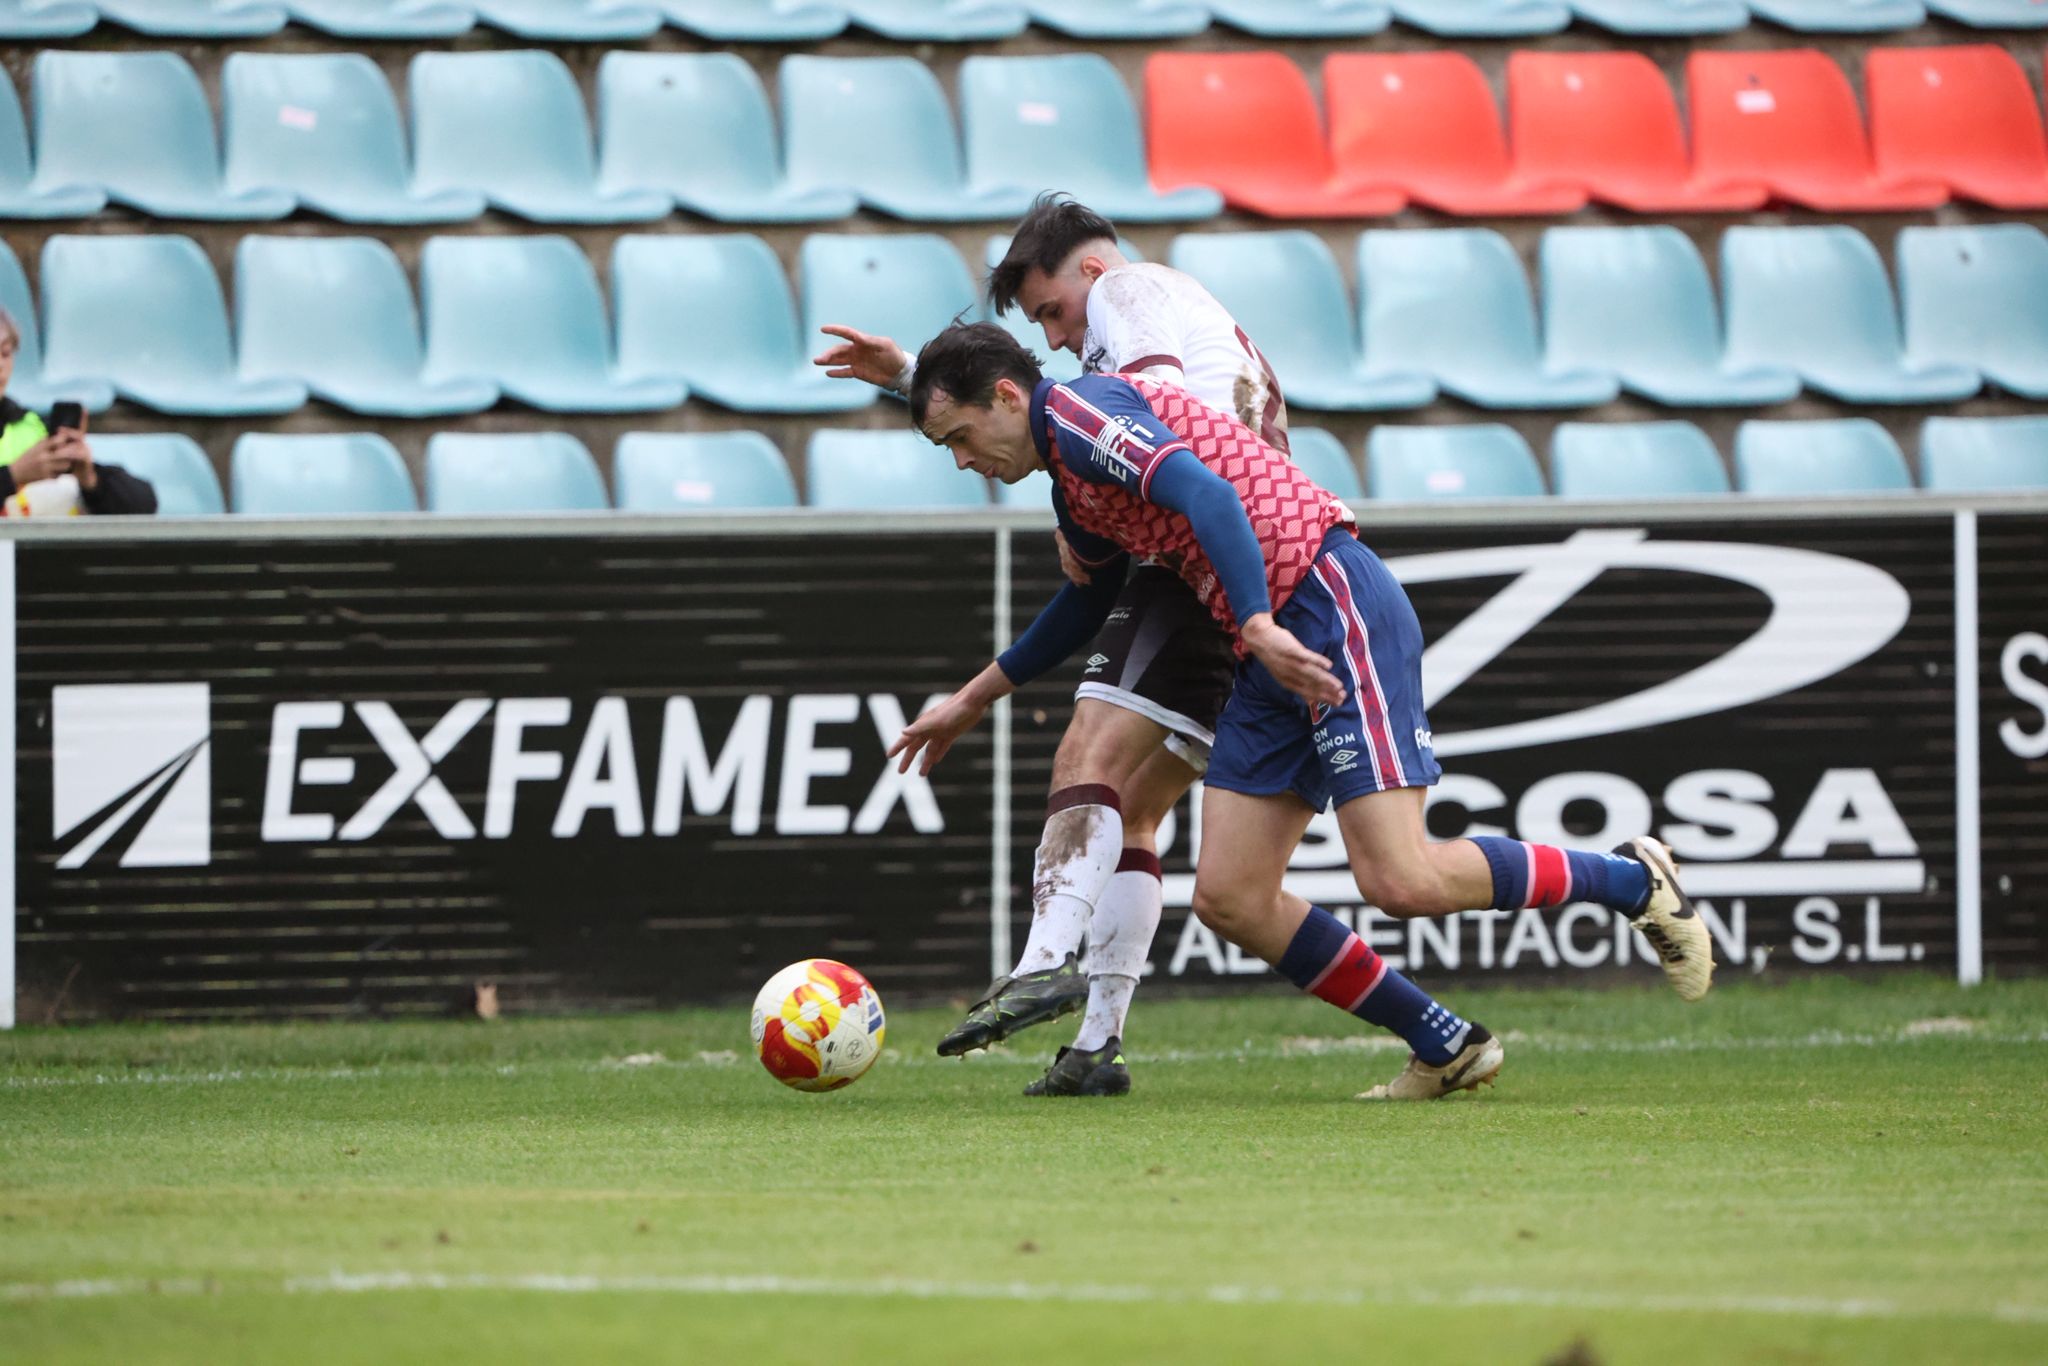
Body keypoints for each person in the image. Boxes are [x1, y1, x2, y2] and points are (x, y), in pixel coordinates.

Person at [887, 322, 1715, 1102]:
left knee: (1401, 878)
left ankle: (1633, 879)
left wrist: (1252, 618)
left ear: (1005, 396)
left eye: (958, 438)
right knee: (1232, 896)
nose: (963, 462)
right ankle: (1445, 1042)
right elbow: (1087, 600)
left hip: (1328, 603)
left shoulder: (1080, 412)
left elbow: (1206, 495)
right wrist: (969, 701)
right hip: (1268, 645)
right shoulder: (1070, 478)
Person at [815, 195, 1289, 1096]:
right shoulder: (1099, 375)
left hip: (1208, 553)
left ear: (1093, 277)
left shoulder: (1129, 293)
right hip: (1240, 559)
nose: (1060, 337)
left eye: (1051, 313)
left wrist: (1104, 479)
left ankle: (1041, 966)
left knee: (1088, 756)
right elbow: (1032, 410)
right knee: (1138, 813)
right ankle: (1095, 1049)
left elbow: (1148, 421)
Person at [0, 309, 155, 517]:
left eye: (5, 353)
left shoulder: (32, 428)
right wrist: (13, 476)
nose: (0, 365)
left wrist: (90, 478)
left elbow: (144, 506)